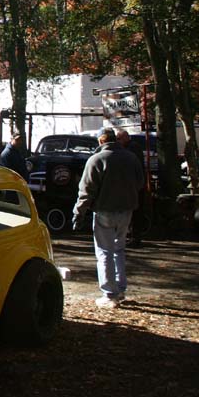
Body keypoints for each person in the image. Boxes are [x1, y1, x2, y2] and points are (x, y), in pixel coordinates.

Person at [71, 128, 145, 309]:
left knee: (104, 251)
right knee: (119, 249)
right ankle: (120, 289)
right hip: (126, 210)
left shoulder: (96, 160)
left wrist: (78, 213)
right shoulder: (131, 158)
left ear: (100, 141)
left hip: (104, 210)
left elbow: (86, 191)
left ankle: (109, 294)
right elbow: (140, 182)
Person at [116, 129, 148, 248]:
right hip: (135, 185)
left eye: (119, 138)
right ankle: (133, 236)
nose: (117, 141)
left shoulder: (131, 149)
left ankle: (134, 237)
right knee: (134, 212)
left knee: (135, 213)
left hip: (134, 186)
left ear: (125, 138)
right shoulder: (133, 148)